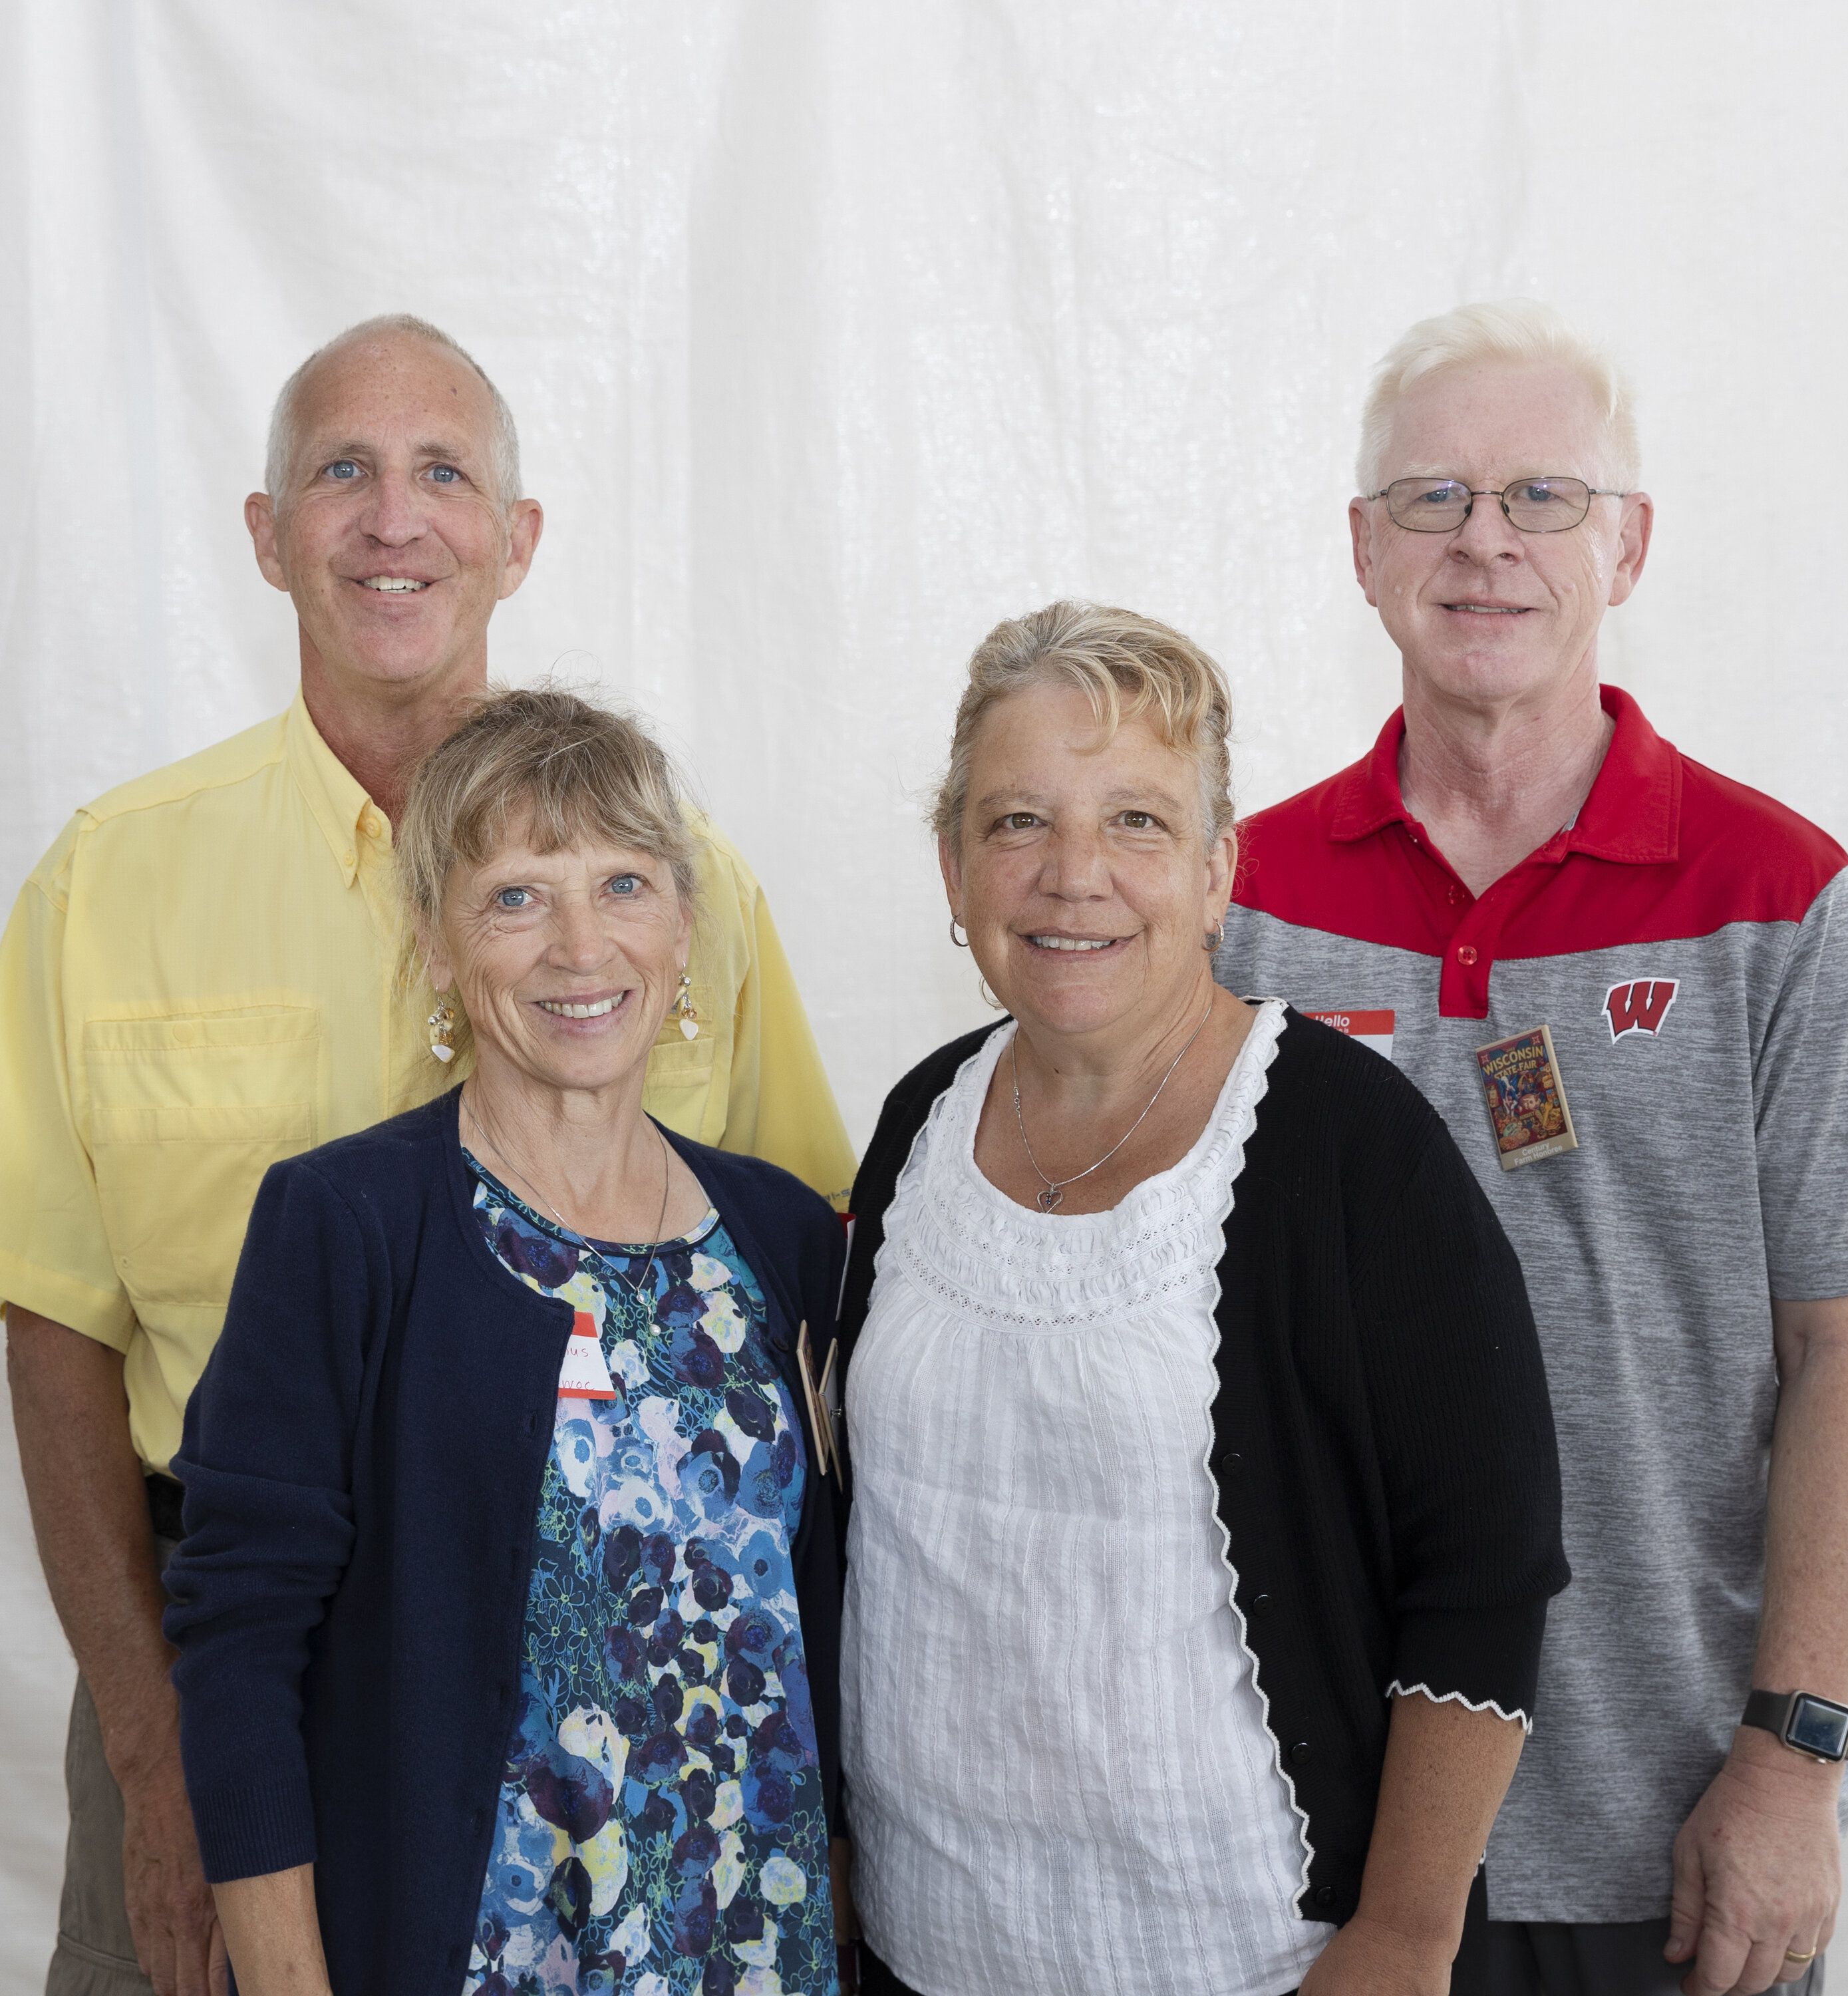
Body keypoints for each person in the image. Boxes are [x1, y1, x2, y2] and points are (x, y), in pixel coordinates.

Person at [0, 315, 853, 1996]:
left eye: (443, 473)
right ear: (267, 535)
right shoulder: (110, 881)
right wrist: (156, 1756)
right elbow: (52, 1324)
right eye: (342, 474)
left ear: (518, 537)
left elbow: (791, 1303)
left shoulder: (694, 886)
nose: (394, 521)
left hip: (629, 1723)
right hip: (207, 1645)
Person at [1216, 301, 1848, 1996]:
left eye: (1543, 495)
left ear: (1629, 543)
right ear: (1362, 548)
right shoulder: (1240, 901)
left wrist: (1796, 1758)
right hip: (1311, 1830)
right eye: (1431, 498)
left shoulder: (1779, 903)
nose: (1484, 544)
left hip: (1672, 1832)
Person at [833, 603, 1571, 1996]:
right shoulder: (918, 1120)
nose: (1073, 876)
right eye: (1017, 823)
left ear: (1222, 868)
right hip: (924, 1952)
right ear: (952, 864)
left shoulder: (1352, 1151)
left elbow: (1487, 1569)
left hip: (1248, 1958)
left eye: (1136, 823)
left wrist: (1406, 1938)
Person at [161, 687, 847, 1994]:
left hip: (760, 1951)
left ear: (686, 927)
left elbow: (817, 1627)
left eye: (625, 884)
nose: (581, 947)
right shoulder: (348, 1225)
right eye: (518, 896)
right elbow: (240, 1647)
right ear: (433, 941)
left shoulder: (781, 1237)